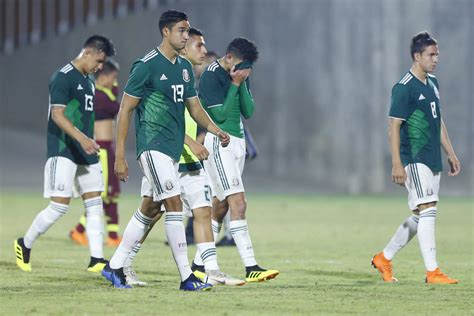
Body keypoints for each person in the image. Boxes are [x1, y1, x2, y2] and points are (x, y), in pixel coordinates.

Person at [100, 10, 230, 290]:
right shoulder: (146, 65)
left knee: (150, 208)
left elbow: (194, 108)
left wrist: (217, 130)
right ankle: (187, 277)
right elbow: (125, 110)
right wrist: (120, 156)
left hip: (171, 150)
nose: (186, 36)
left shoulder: (182, 69)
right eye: (182, 31)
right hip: (152, 145)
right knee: (173, 204)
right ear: (166, 32)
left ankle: (114, 266)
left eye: (188, 31)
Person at [122, 28, 245, 287]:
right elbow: (164, 120)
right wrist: (191, 143)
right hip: (165, 156)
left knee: (202, 210)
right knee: (151, 212)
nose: (204, 52)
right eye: (199, 46)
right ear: (184, 46)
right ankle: (123, 264)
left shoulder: (189, 79)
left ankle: (209, 269)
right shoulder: (163, 73)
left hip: (188, 159)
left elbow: (194, 114)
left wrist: (213, 133)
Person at [13, 35, 116, 273]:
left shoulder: (89, 80)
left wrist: (87, 142)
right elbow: (57, 115)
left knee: (94, 203)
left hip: (86, 150)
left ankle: (96, 259)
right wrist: (82, 138)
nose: (100, 67)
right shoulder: (62, 77)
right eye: (99, 61)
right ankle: (24, 243)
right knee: (59, 206)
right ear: (88, 52)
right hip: (64, 149)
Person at [371, 31, 461, 284]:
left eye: (437, 54)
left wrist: (450, 152)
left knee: (422, 214)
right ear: (417, 56)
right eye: (431, 55)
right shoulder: (403, 88)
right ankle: (432, 271)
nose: (436, 59)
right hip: (414, 157)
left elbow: (437, 120)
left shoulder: (433, 83)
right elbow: (394, 126)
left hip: (432, 157)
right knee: (428, 208)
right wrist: (397, 163)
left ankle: (384, 258)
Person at [198, 37, 279, 282]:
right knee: (239, 203)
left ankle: (199, 264)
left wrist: (241, 83)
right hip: (219, 142)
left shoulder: (241, 73)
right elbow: (219, 115)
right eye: (243, 65)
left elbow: (249, 111)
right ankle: (250, 266)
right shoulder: (211, 75)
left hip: (237, 143)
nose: (246, 70)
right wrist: (235, 83)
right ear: (229, 57)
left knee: (220, 206)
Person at [69, 59, 123, 247]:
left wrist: (113, 81)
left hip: (109, 149)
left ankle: (113, 235)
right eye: (113, 78)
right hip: (102, 149)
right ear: (104, 77)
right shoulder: (99, 96)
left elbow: (114, 94)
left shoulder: (105, 92)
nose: (115, 82)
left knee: (111, 193)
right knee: (102, 193)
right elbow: (119, 107)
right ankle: (80, 230)